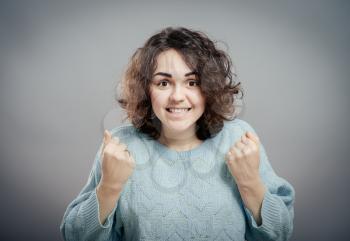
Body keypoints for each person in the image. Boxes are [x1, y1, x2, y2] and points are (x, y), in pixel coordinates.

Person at [60, 26, 295, 241]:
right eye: (163, 83)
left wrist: (250, 183)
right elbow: (74, 236)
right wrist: (109, 186)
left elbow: (281, 233)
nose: (177, 96)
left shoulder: (239, 138)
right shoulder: (120, 145)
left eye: (192, 82)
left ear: (208, 88)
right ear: (146, 89)